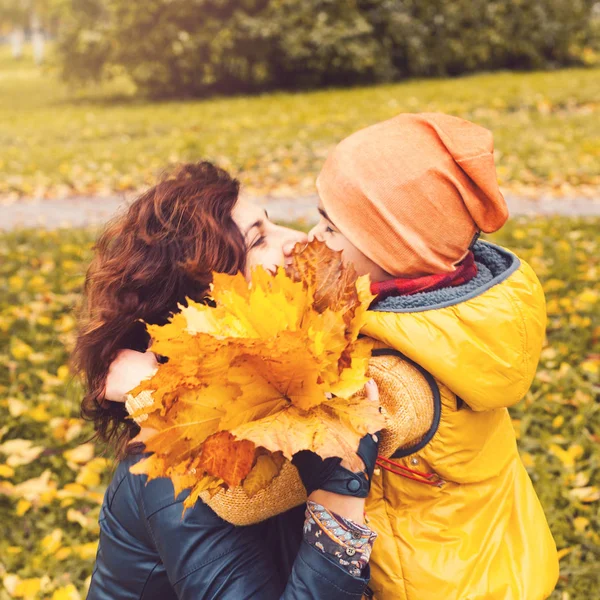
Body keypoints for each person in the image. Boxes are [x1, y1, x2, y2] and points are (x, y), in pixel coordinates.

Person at [104, 113, 561, 599]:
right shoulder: (444, 319)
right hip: (490, 558)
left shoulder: (394, 382)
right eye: (263, 235)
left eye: (330, 227)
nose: (307, 239)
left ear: (392, 250)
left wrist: (150, 395)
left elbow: (243, 495)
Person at [73, 161, 381, 600]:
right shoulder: (175, 469)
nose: (299, 240)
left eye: (271, 223)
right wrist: (340, 491)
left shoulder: (293, 383)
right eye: (259, 239)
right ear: (204, 303)